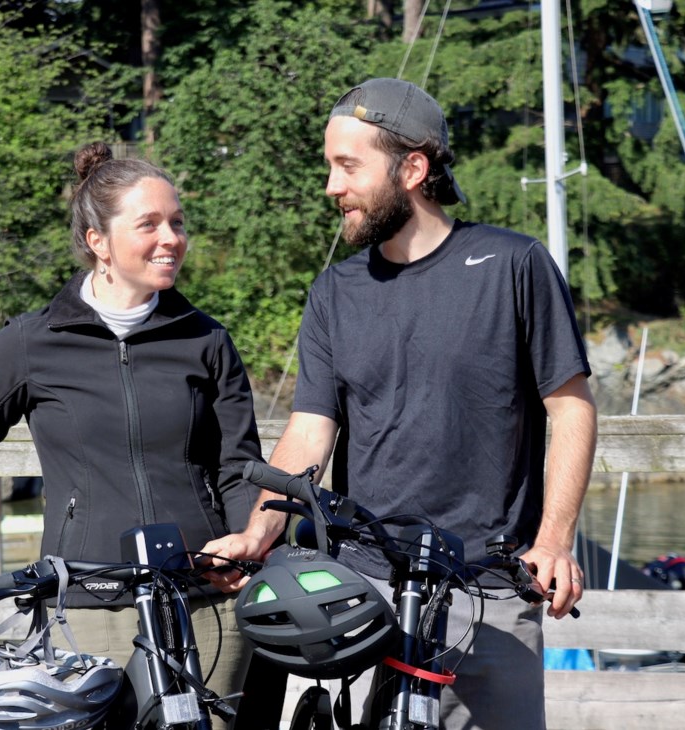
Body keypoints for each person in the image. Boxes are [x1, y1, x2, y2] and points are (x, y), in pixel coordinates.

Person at [203, 78, 598, 730]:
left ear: (412, 167)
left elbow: (571, 408)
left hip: (489, 588)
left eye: (348, 166)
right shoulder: (335, 290)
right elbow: (309, 432)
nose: (332, 186)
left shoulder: (514, 265)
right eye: (330, 166)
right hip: (366, 592)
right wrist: (257, 533)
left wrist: (554, 542)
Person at [0, 141, 263, 721]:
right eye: (150, 224)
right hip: (86, 605)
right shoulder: (30, 343)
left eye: (178, 223)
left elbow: (237, 463)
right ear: (97, 241)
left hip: (205, 603)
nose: (172, 239)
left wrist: (243, 546)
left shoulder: (206, 341)